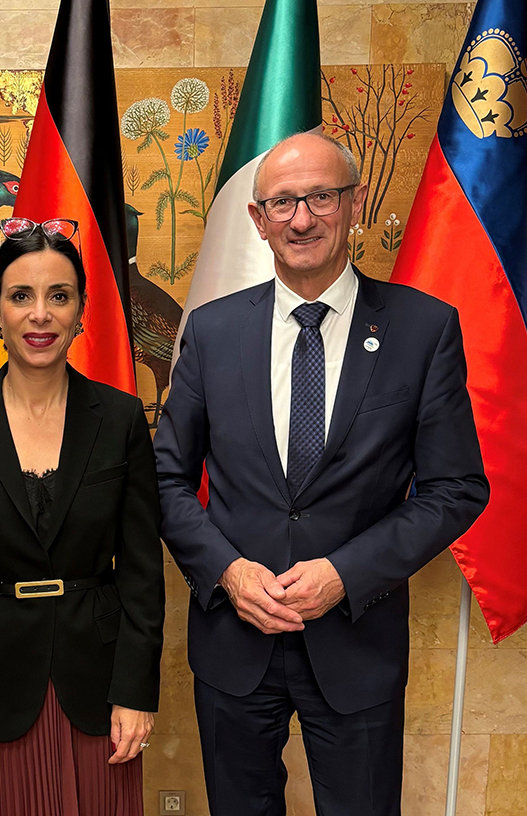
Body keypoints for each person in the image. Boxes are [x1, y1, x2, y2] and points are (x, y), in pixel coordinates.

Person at [154, 133, 490, 816]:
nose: (301, 219)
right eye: (282, 202)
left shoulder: (422, 329)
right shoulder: (213, 332)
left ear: (355, 202)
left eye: (320, 197)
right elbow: (163, 477)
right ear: (257, 219)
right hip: (234, 641)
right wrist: (227, 571)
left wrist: (346, 572)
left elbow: (457, 488)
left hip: (356, 643)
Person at [0, 217, 165, 815]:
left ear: (81, 310)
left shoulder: (121, 419)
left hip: (101, 686)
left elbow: (141, 570)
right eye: (21, 296)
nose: (40, 314)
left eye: (59, 296)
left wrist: (136, 691)